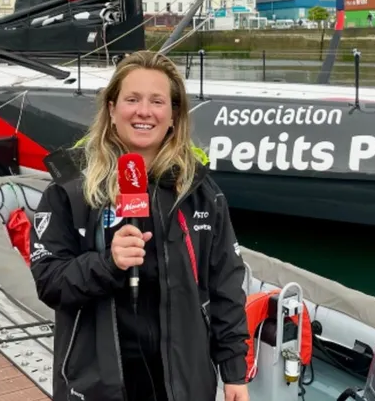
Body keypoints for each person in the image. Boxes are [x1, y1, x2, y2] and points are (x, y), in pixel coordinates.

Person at [29, 51, 250, 401]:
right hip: (98, 387)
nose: (144, 111)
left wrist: (234, 371)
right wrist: (107, 263)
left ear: (173, 115)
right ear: (112, 109)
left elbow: (226, 285)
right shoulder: (70, 190)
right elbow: (49, 281)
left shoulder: (201, 193)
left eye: (157, 101)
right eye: (132, 99)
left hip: (183, 386)